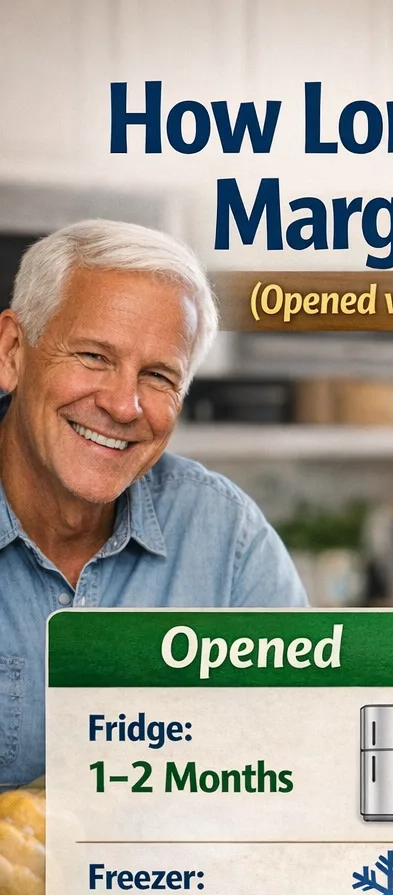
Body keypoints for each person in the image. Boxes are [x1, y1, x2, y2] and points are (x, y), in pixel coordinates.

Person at [0, 219, 307, 788]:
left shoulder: (228, 540)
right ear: (13, 352)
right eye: (93, 356)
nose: (123, 405)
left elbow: (302, 765)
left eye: (159, 376)